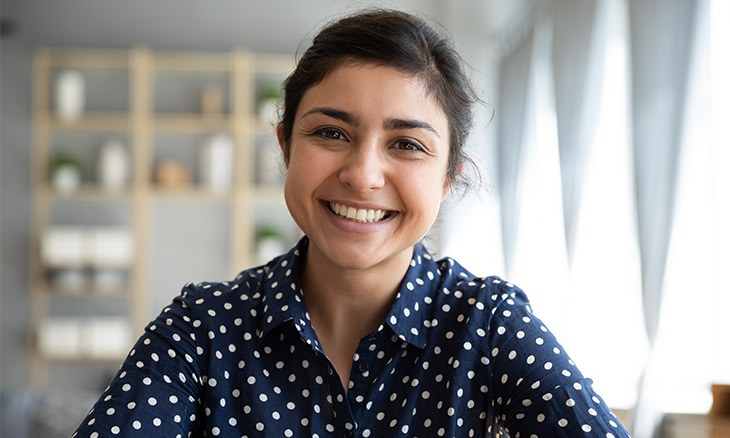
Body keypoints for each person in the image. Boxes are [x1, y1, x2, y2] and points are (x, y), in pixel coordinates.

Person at [73, 9, 631, 438]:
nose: (363, 175)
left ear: (447, 178)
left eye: (407, 144)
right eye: (331, 133)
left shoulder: (487, 326)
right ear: (286, 145)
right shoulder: (204, 329)